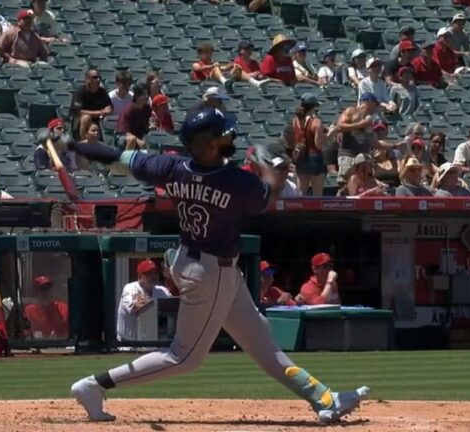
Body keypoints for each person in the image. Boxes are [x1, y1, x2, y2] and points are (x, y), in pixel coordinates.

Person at [67, 108, 368, 423]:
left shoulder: (172, 166)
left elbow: (114, 157)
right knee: (183, 358)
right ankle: (94, 385)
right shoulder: (235, 181)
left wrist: (70, 144)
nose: (231, 136)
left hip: (197, 262)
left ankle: (323, 397)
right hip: (211, 272)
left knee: (261, 341)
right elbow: (270, 195)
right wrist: (270, 169)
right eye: (224, 134)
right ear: (208, 144)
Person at [116, 260, 172, 342]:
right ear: (140, 276)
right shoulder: (130, 288)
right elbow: (135, 306)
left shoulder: (162, 290)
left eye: (155, 273)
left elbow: (174, 306)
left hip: (155, 343)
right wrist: (156, 302)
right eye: (149, 274)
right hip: (128, 344)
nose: (153, 276)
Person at [333, 92, 379, 181]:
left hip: (363, 157)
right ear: (369, 102)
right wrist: (359, 125)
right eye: (375, 104)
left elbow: (374, 142)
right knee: (345, 185)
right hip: (349, 155)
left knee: (361, 184)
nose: (375, 107)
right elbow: (339, 127)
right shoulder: (351, 111)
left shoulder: (369, 119)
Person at [287, 93, 326, 196]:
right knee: (317, 194)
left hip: (301, 157)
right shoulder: (316, 122)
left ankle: (300, 212)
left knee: (301, 193)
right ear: (314, 107)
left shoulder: (295, 120)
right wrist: (328, 134)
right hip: (314, 157)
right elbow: (318, 144)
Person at [70, 68, 112, 141]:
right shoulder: (80, 91)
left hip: (96, 122)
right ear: (87, 79)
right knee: (86, 118)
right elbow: (79, 112)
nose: (98, 80)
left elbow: (110, 107)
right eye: (95, 77)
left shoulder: (102, 92)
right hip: (79, 122)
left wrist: (108, 109)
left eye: (99, 78)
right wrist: (100, 112)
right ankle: (84, 143)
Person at [116, 84, 152, 150]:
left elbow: (146, 128)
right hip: (124, 137)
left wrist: (151, 127)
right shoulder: (129, 109)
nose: (146, 96)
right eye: (144, 94)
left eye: (147, 94)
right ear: (137, 96)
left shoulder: (147, 108)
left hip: (140, 137)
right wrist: (137, 141)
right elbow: (124, 131)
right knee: (132, 140)